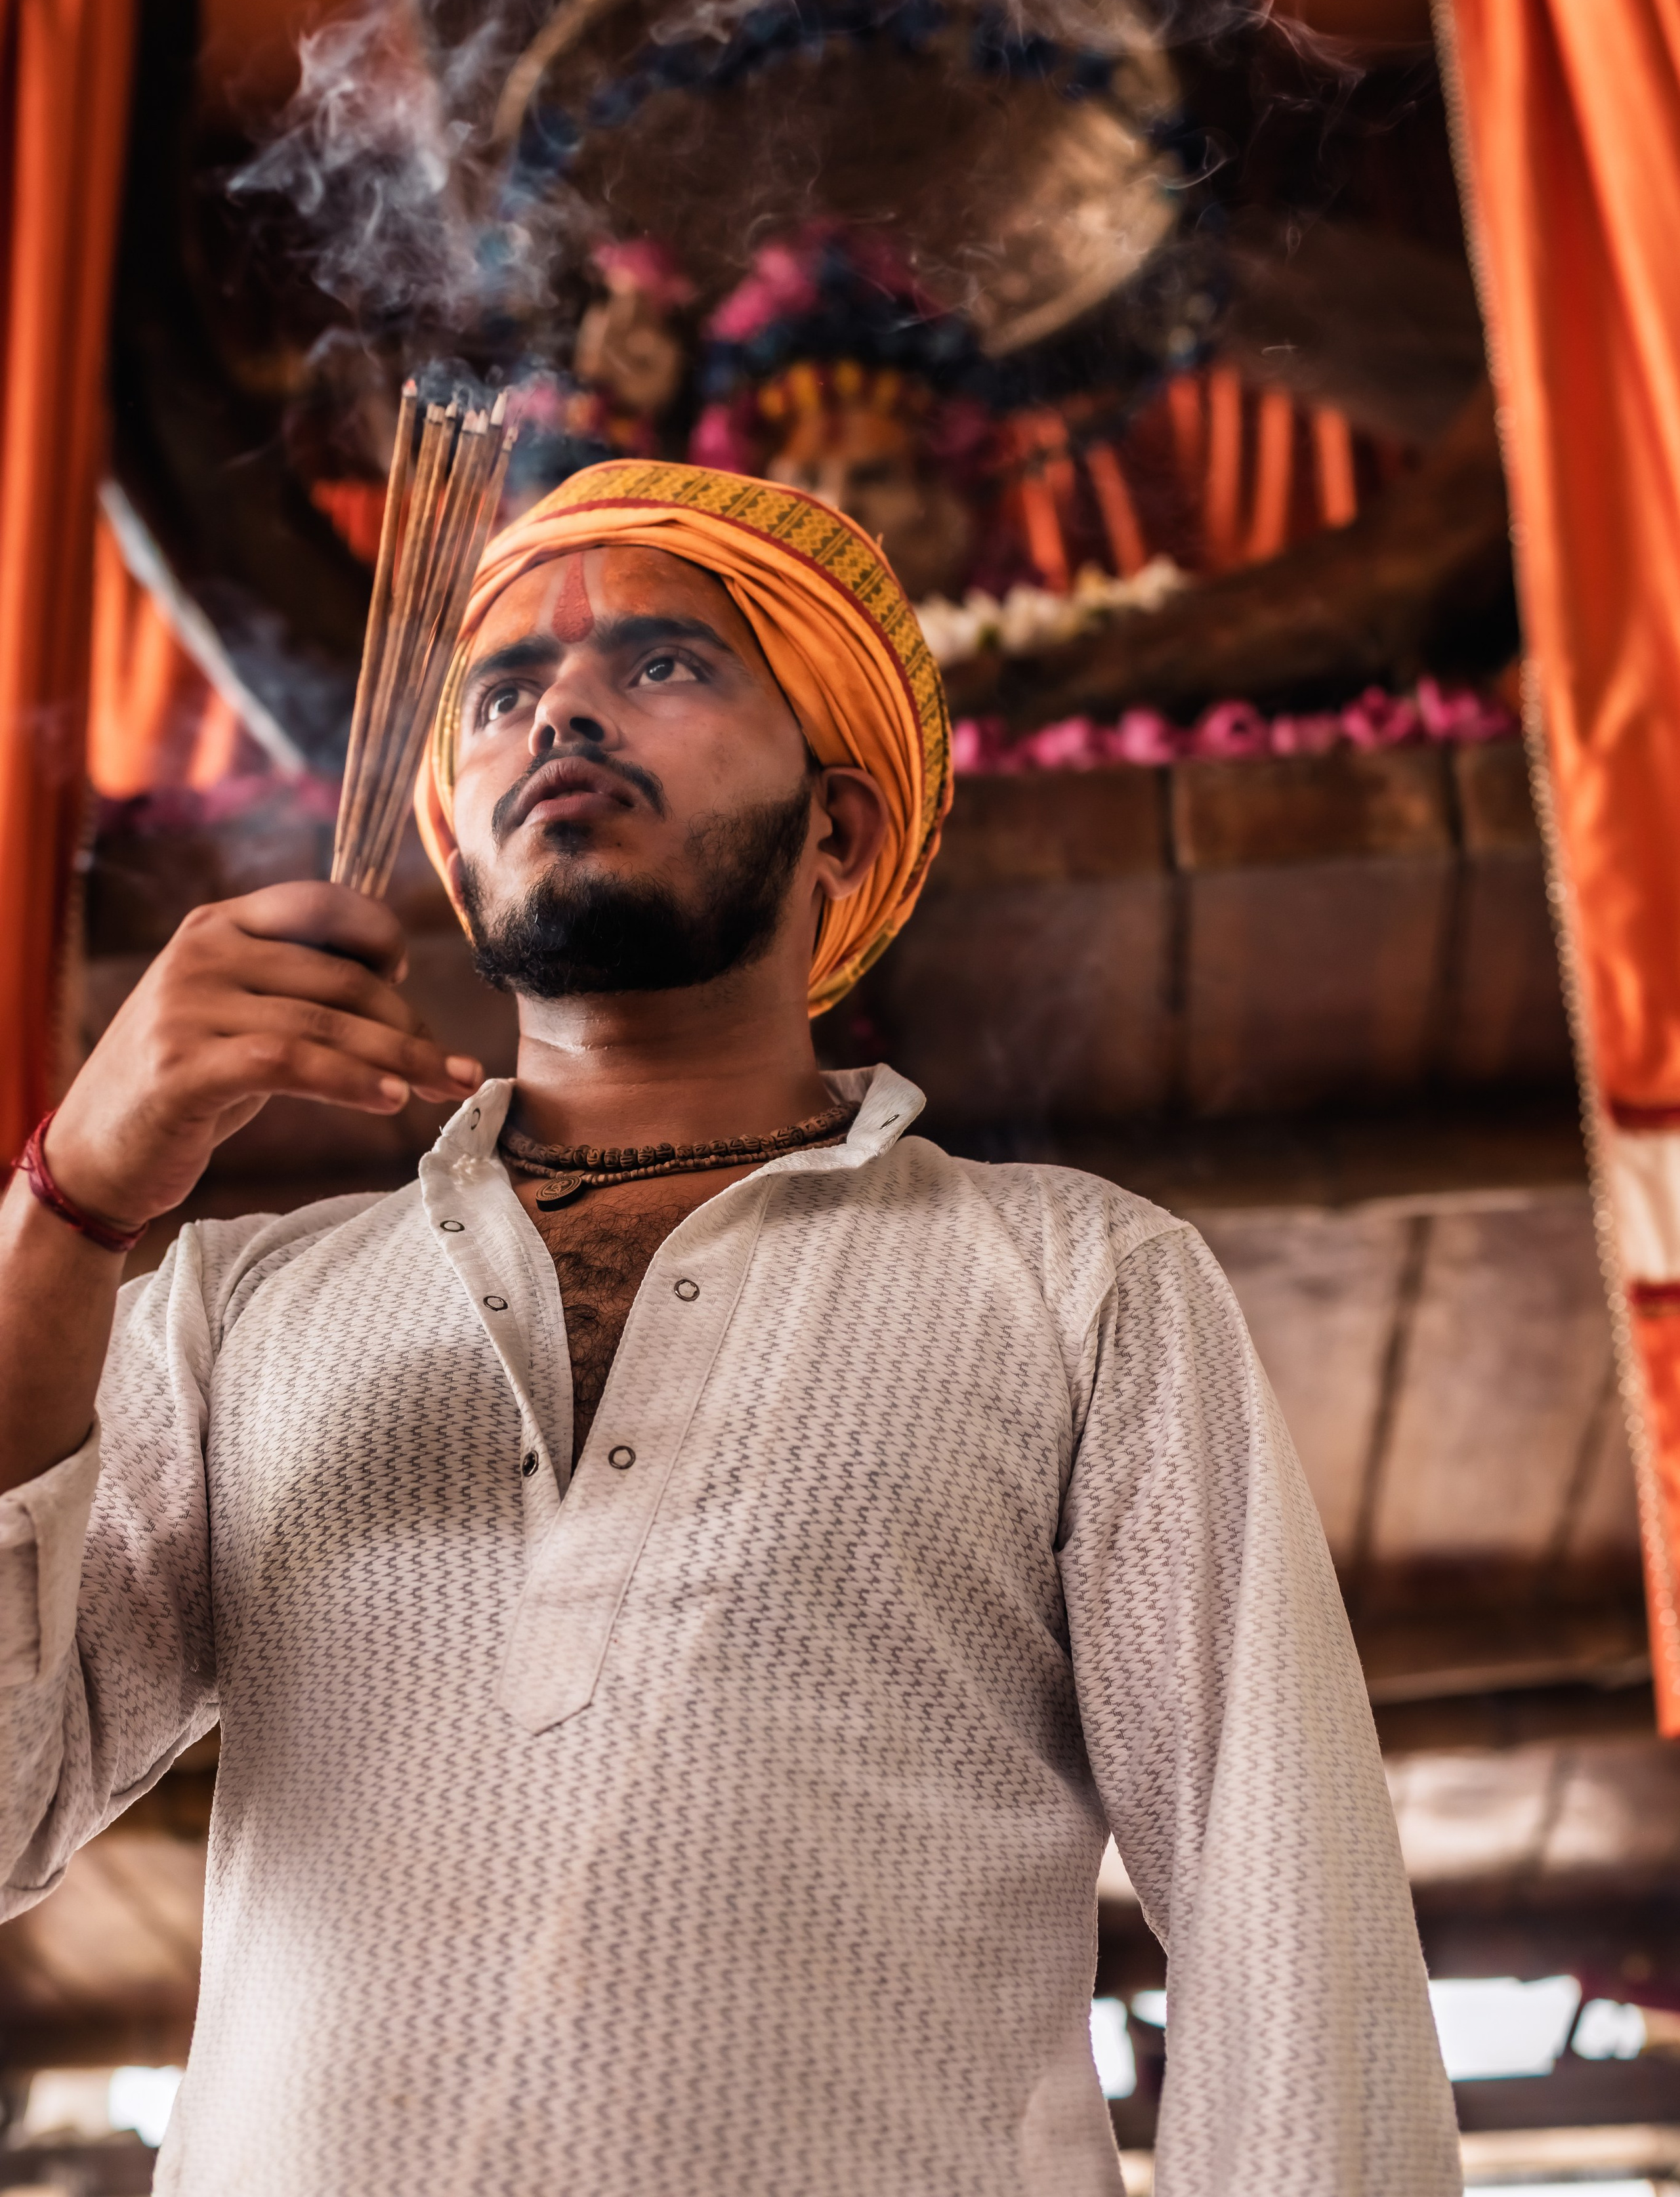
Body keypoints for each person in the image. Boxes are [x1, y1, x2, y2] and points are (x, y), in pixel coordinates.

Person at [0, 459, 1457, 2196]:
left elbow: (1288, 1921)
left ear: (836, 827)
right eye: (504, 691)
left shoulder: (1081, 1284)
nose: (562, 710)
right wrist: (76, 1203)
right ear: (455, 854)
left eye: (663, 664)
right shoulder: (243, 1310)